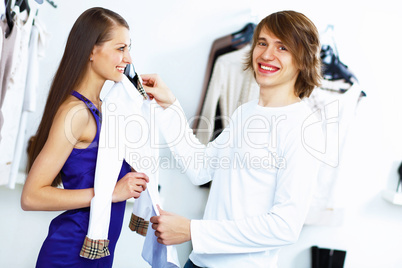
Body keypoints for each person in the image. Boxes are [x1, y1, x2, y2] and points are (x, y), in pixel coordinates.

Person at [144, 10, 324, 268]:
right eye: (262, 42)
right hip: (198, 262)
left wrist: (193, 231)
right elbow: (201, 168)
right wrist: (169, 105)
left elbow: (285, 226)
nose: (266, 54)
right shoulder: (246, 112)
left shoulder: (302, 127)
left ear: (303, 60)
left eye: (282, 47)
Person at [21, 7, 149, 267]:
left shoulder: (105, 108)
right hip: (71, 253)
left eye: (128, 48)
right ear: (92, 50)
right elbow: (31, 196)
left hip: (97, 253)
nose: (128, 58)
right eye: (120, 48)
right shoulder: (75, 113)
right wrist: (110, 193)